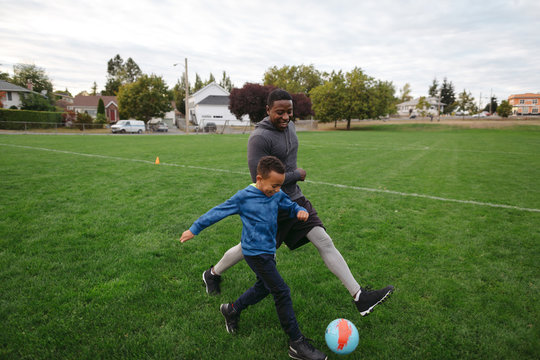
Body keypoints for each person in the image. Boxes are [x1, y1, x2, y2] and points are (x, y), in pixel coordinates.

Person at [203, 89, 394, 316]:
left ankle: (360, 297)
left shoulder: (290, 125)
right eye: (279, 113)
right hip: (270, 207)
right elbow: (259, 178)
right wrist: (296, 174)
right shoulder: (259, 138)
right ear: (268, 111)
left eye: (289, 112)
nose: (285, 117)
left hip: (295, 199)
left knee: (323, 240)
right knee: (247, 248)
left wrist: (293, 181)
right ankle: (213, 273)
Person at [180, 156, 327, 360]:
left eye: (279, 186)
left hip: (268, 251)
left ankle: (232, 310)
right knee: (281, 291)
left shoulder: (276, 193)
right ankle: (296, 343)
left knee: (264, 287)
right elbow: (218, 211)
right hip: (254, 253)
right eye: (273, 185)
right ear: (259, 178)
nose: (277, 190)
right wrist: (194, 229)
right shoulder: (244, 197)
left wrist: (300, 210)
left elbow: (289, 204)